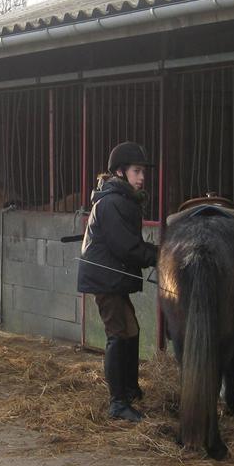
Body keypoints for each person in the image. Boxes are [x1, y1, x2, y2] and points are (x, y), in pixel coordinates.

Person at [76, 141, 159, 422]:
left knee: (131, 330)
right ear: (121, 172)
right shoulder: (112, 203)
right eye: (137, 171)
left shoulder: (121, 199)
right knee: (118, 333)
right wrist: (160, 255)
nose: (142, 177)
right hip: (105, 278)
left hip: (113, 276)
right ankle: (117, 403)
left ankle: (130, 389)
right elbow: (127, 247)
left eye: (143, 171)